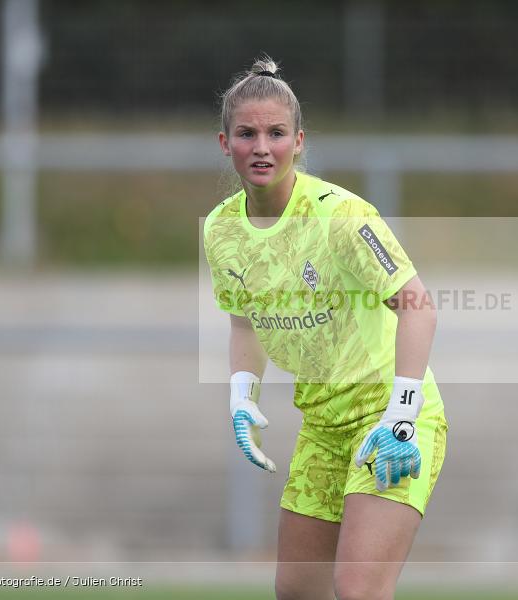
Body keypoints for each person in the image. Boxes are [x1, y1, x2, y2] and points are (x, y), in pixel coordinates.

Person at [203, 55, 447, 600]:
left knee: (358, 590)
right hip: (322, 427)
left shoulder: (340, 215)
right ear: (224, 143)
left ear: (298, 142)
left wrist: (403, 415)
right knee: (296, 591)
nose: (261, 147)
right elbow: (244, 321)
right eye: (246, 133)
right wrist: (241, 396)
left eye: (276, 133)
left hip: (389, 418)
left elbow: (419, 307)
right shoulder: (221, 230)